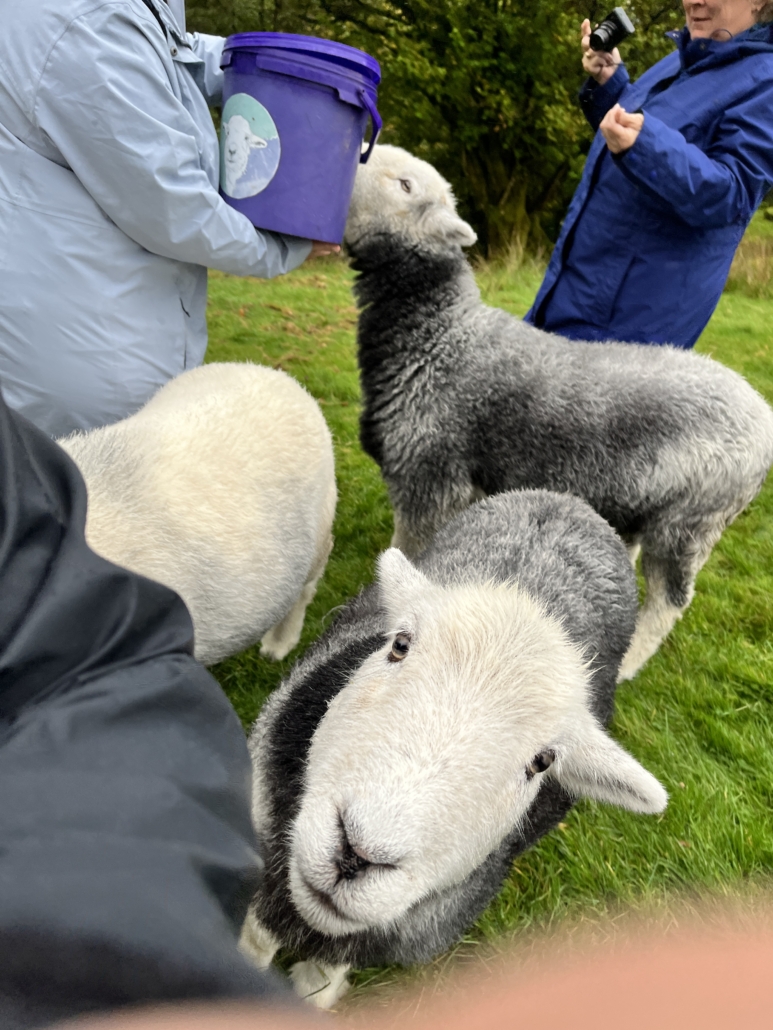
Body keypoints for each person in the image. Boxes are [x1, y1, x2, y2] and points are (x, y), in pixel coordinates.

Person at [0, 0, 336, 439]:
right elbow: (176, 207)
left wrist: (271, 61)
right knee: (96, 502)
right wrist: (288, 247)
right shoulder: (89, 24)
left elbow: (168, 52)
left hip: (62, 328)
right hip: (87, 367)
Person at [525, 0, 773, 349]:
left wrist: (644, 145)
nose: (693, 1)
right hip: (572, 295)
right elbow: (639, 136)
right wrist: (610, 84)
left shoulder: (766, 81)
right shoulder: (687, 55)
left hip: (626, 330)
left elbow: (731, 196)